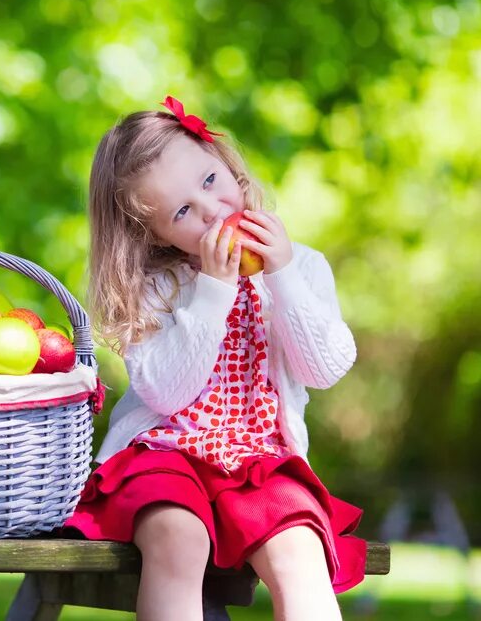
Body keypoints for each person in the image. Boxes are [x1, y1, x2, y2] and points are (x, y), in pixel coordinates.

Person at [65, 96, 366, 621]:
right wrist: (212, 291)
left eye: (209, 182)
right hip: (163, 454)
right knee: (177, 538)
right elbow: (166, 392)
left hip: (260, 460)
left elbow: (327, 367)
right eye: (183, 212)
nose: (212, 211)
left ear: (225, 163)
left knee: (301, 553)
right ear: (152, 234)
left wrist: (284, 276)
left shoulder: (301, 266)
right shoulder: (157, 287)